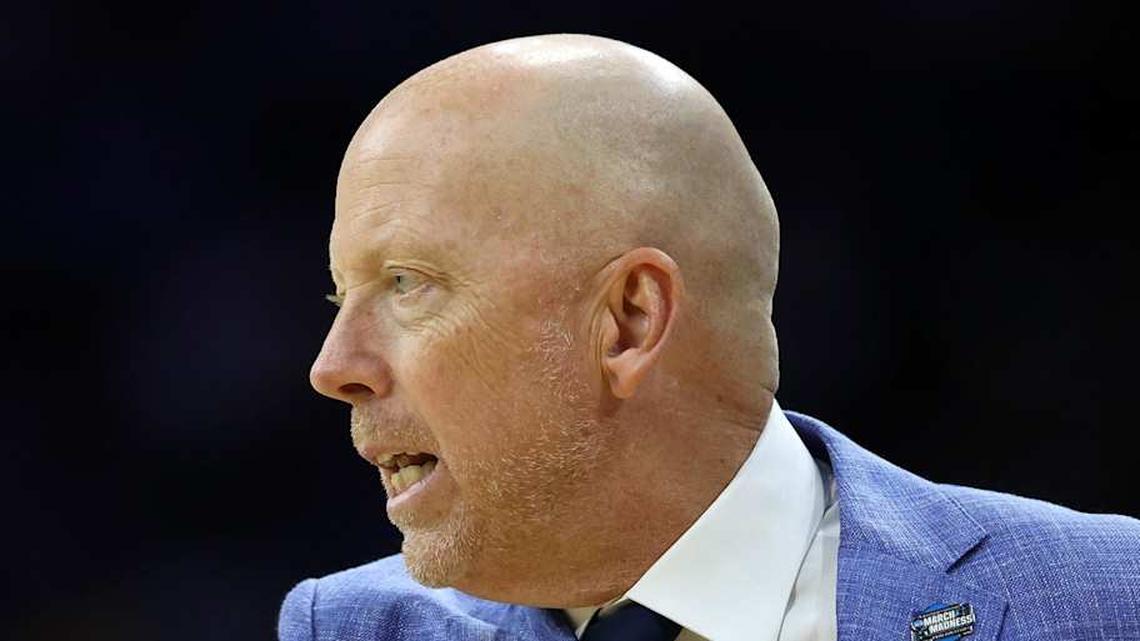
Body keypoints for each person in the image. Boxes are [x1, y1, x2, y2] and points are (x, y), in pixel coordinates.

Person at [279, 34, 1140, 641]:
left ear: (630, 320)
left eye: (405, 285)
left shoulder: (1107, 599)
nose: (333, 366)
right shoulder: (348, 626)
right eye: (340, 293)